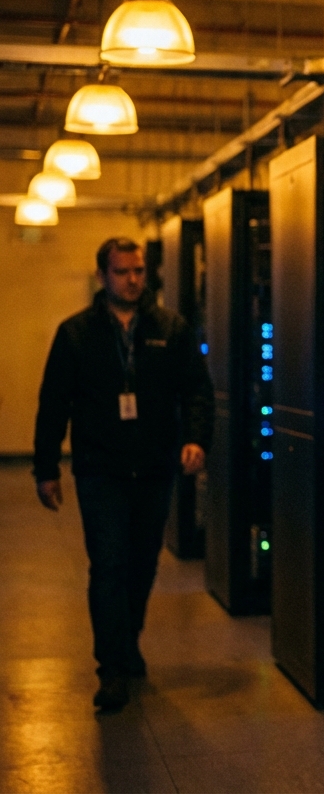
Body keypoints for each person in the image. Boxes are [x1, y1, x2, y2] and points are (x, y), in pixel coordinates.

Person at [33, 237, 214, 711]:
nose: (132, 280)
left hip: (154, 467)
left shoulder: (169, 329)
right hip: (101, 469)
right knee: (109, 565)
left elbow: (197, 389)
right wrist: (46, 468)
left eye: (138, 272)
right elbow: (53, 402)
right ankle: (111, 668)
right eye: (122, 272)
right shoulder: (77, 334)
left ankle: (128, 637)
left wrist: (196, 438)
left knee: (142, 563)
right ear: (102, 276)